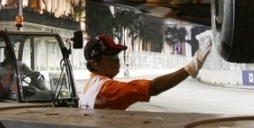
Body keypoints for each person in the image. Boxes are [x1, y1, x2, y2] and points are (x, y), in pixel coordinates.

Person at [79, 33, 212, 110]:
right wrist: (191, 68)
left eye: (117, 56)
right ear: (95, 63)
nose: (117, 61)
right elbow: (154, 87)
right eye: (112, 57)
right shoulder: (106, 89)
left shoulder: (90, 85)